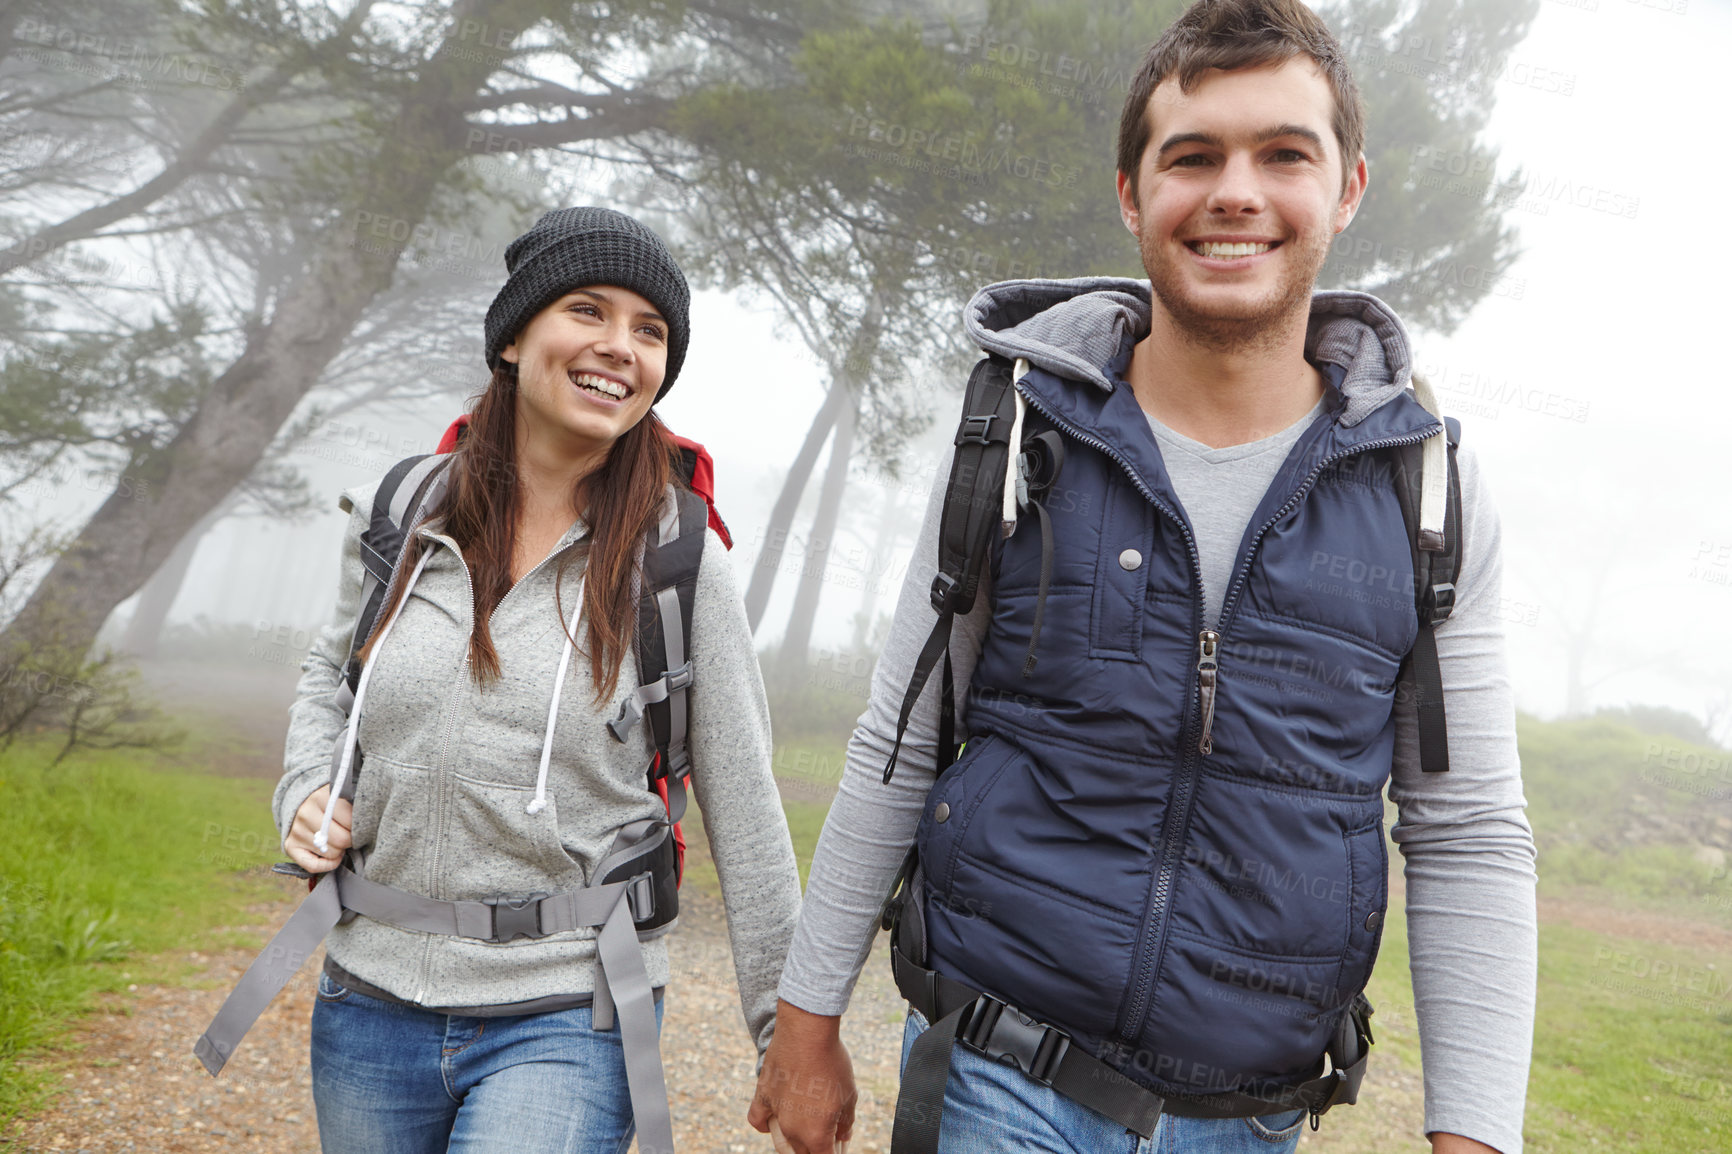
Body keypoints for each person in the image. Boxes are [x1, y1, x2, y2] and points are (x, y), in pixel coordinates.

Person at [749, 2, 1536, 1153]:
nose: (1235, 191)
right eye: (1192, 156)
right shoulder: (1014, 432)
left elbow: (1466, 829)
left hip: (1251, 1114)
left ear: (1348, 188)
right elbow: (900, 737)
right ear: (1131, 194)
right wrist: (807, 1015)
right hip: (993, 1073)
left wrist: (1476, 1134)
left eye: (1282, 154)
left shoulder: (1429, 490)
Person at [271, 206, 803, 1153]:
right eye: (587, 311)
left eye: (650, 331)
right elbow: (332, 673)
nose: (619, 347)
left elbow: (746, 805)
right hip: (367, 995)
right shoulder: (404, 511)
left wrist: (786, 1034)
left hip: (569, 1006)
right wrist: (305, 788)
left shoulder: (678, 562)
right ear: (514, 336)